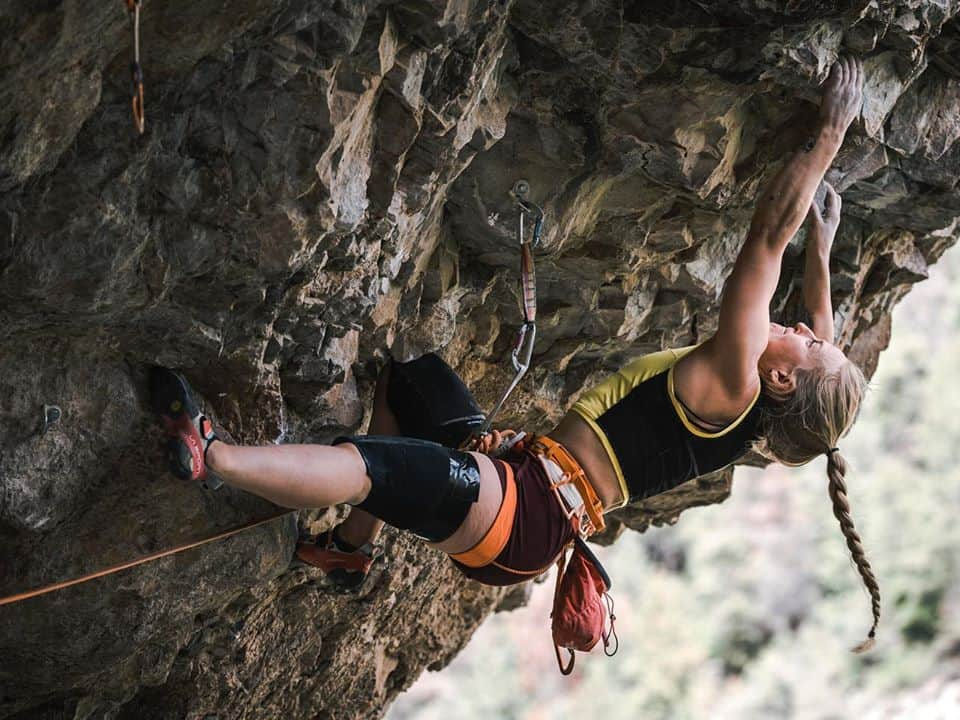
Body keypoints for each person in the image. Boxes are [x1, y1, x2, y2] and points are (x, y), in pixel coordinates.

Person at [152, 57, 878, 650]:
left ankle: (214, 457)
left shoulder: (735, 381)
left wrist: (830, 135)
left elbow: (762, 240)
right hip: (524, 484)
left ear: (782, 375)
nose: (807, 329)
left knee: (367, 467)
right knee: (411, 380)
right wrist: (825, 253)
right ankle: (350, 548)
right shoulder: (768, 409)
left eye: (808, 344)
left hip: (520, 514)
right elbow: (822, 334)